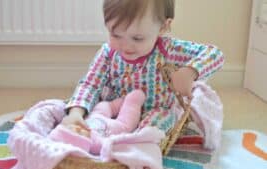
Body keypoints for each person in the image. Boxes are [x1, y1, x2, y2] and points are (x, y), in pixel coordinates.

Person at [61, 0, 224, 135]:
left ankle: (133, 147)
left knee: (151, 129)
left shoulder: (168, 50)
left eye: (137, 38)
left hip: (154, 112)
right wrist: (76, 113)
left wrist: (191, 71)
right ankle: (99, 139)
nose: (125, 46)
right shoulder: (108, 53)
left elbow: (215, 54)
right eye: (115, 35)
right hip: (117, 112)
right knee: (91, 118)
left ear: (162, 27)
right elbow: (90, 84)